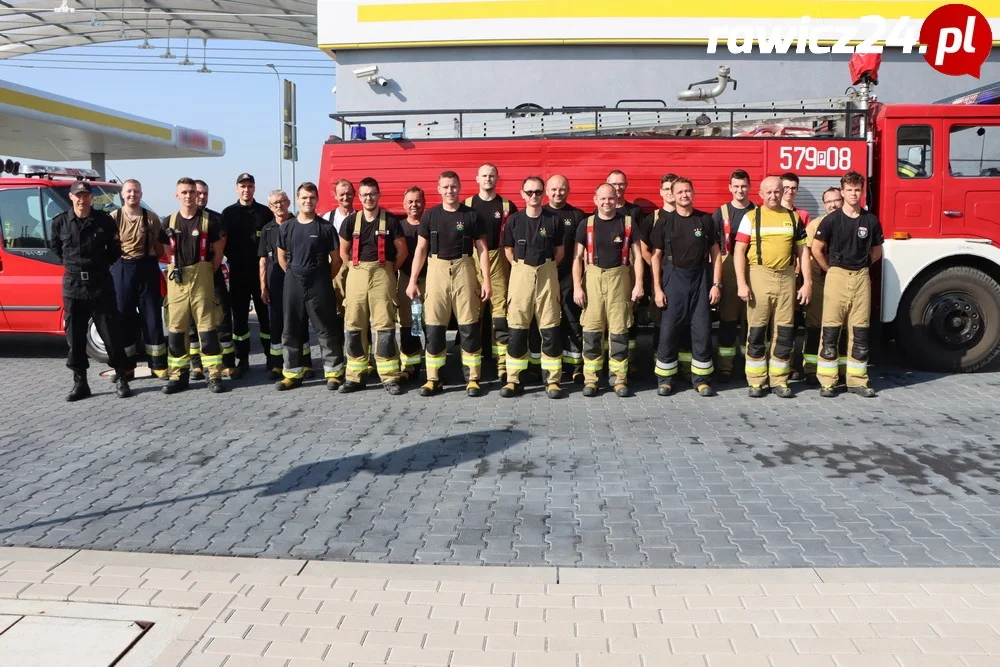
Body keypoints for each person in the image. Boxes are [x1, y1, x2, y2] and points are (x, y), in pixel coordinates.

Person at [406, 171, 492, 397]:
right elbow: (421, 250)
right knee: (434, 327)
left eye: (453, 186)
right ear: (438, 189)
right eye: (445, 187)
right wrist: (413, 280)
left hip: (464, 269)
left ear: (460, 187)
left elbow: (482, 250)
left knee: (469, 326)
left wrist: (486, 281)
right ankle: (434, 378)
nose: (450, 191)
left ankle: (472, 378)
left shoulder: (472, 216)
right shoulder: (430, 217)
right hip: (436, 271)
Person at [49, 181, 131, 401]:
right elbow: (56, 248)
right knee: (75, 336)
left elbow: (115, 250)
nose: (82, 199)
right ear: (71, 197)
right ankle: (80, 383)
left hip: (100, 285)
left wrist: (99, 267)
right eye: (78, 196)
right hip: (73, 286)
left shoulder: (104, 221)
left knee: (111, 333)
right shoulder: (60, 223)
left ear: (91, 198)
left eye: (86, 195)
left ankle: (122, 378)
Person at [734, 176, 811, 398]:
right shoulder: (751, 217)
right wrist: (742, 283)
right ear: (760, 194)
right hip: (759, 274)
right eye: (768, 192)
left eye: (778, 191)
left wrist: (806, 283)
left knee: (785, 332)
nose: (773, 196)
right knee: (757, 330)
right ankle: (756, 381)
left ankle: (779, 380)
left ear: (784, 192)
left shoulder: (793, 218)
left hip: (787, 277)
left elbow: (803, 253)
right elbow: (739, 251)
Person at [810, 171, 884, 398]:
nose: (854, 194)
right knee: (831, 330)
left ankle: (857, 381)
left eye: (857, 190)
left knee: (860, 330)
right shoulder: (831, 220)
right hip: (837, 276)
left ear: (862, 192)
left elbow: (877, 251)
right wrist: (830, 269)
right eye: (849, 190)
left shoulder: (870, 220)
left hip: (861, 277)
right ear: (842, 192)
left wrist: (861, 265)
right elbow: (816, 249)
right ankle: (828, 381)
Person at [650, 177, 722, 397]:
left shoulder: (705, 220)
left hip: (700, 279)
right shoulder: (664, 221)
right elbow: (655, 257)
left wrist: (716, 284)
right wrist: (658, 289)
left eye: (688, 191)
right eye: (679, 192)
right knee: (669, 331)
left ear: (693, 193)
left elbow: (716, 254)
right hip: (673, 279)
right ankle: (665, 380)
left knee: (701, 330)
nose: (684, 195)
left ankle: (701, 380)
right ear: (672, 195)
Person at [339, 177, 408, 394]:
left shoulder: (391, 221)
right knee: (353, 324)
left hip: (383, 273)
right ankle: (354, 376)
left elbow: (402, 251)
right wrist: (353, 267)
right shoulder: (350, 222)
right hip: (357, 273)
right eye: (364, 194)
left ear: (379, 194)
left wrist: (389, 270)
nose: (368, 198)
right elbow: (343, 251)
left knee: (384, 325)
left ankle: (389, 377)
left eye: (372, 193)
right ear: (359, 197)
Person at [574, 183, 644, 398]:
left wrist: (639, 284)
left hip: (619, 279)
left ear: (617, 198)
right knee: (592, 333)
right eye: (603, 198)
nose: (607, 202)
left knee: (619, 332)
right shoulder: (586, 224)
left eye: (611, 198)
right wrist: (577, 286)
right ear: (595, 199)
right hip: (593, 279)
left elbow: (638, 257)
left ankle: (619, 379)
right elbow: (577, 257)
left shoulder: (628, 223)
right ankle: (592, 380)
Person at [275, 182, 346, 391]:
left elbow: (337, 259)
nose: (308, 201)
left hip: (319, 283)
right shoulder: (287, 227)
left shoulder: (325, 227)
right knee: (291, 329)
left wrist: (323, 278)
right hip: (293, 282)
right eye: (304, 198)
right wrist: (294, 274)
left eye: (312, 198)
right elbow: (281, 256)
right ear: (297, 200)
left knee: (326, 328)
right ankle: (292, 374)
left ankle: (333, 373)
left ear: (317, 200)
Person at [161, 177, 227, 395]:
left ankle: (214, 375)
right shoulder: (168, 222)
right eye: (184, 192)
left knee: (207, 328)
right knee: (177, 330)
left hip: (202, 278)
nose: (189, 196)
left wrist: (206, 272)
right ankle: (178, 376)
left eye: (192, 192)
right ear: (177, 195)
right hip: (177, 280)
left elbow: (218, 254)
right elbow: (166, 252)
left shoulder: (210, 221)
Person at [501, 176, 565, 399]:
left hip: (547, 274)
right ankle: (513, 379)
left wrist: (546, 268)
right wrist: (520, 270)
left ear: (543, 194)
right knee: (517, 329)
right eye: (529, 192)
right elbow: (508, 250)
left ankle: (553, 381)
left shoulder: (553, 220)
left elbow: (560, 251)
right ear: (522, 194)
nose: (534, 196)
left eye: (538, 192)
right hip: (521, 274)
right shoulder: (514, 221)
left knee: (550, 329)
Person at [109, 178, 166, 379]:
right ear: (122, 195)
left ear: (141, 195)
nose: (133, 195)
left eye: (136, 191)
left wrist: (148, 261)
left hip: (146, 267)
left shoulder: (151, 218)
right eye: (129, 191)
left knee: (151, 316)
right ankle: (126, 366)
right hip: (122, 268)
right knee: (123, 317)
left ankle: (158, 364)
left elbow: (160, 248)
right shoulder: (113, 218)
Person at [465, 163, 517, 381]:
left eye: (492, 175)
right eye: (484, 175)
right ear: (477, 178)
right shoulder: (467, 204)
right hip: (470, 261)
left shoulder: (507, 206)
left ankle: (502, 365)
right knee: (471, 317)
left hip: (499, 261)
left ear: (497, 178)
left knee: (500, 316)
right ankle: (472, 368)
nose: (488, 179)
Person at [222, 173, 272, 377]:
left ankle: (272, 357)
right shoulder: (228, 213)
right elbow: (223, 243)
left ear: (254, 188)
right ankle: (242, 359)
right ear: (236, 188)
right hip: (238, 272)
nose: (246, 190)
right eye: (242, 186)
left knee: (265, 318)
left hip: (260, 273)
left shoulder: (264, 213)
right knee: (240, 319)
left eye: (250, 186)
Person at [258, 190, 311, 381]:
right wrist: (263, 286)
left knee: (300, 319)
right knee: (276, 322)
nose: (278, 206)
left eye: (281, 202)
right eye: (274, 203)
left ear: (289, 202)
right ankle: (276, 364)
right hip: (275, 279)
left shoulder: (298, 224)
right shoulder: (267, 229)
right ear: (270, 207)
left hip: (296, 276)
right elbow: (263, 260)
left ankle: (305, 362)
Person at [711, 169, 757, 381]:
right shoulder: (720, 213)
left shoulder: (759, 211)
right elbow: (712, 249)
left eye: (744, 186)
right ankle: (725, 366)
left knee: (755, 320)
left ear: (750, 187)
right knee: (728, 321)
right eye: (736, 186)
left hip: (755, 269)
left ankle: (753, 364)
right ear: (730, 188)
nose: (740, 190)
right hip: (728, 269)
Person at [189, 180, 235, 378]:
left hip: (212, 272)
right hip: (190, 277)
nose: (201, 197)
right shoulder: (182, 218)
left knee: (222, 316)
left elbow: (220, 249)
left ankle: (227, 362)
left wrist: (209, 271)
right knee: (192, 320)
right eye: (198, 193)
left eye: (205, 194)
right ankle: (196, 365)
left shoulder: (216, 219)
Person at [543, 174, 585, 382]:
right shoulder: (538, 215)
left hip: (569, 276)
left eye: (562, 189)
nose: (557, 193)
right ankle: (546, 365)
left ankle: (576, 365)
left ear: (568, 190)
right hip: (544, 278)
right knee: (547, 322)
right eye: (553, 189)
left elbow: (581, 253)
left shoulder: (577, 216)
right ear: (546, 191)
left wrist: (580, 283)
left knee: (572, 320)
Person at [801, 186, 845, 383]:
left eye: (836, 200)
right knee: (815, 324)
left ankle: (841, 368)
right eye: (828, 202)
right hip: (820, 279)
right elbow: (805, 253)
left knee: (842, 325)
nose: (833, 204)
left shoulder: (851, 223)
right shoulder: (815, 225)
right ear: (824, 204)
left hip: (844, 281)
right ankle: (810, 368)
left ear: (843, 199)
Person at [605, 170, 645, 373]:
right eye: (614, 184)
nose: (618, 188)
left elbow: (639, 246)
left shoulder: (635, 211)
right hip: (607, 269)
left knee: (629, 314)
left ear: (626, 185)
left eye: (621, 184)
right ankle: (607, 359)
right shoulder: (601, 210)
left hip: (628, 266)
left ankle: (629, 361)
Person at [397, 186, 427, 381]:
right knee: (408, 324)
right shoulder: (398, 227)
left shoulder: (432, 223)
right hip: (406, 279)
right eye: (410, 201)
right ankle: (410, 365)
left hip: (431, 280)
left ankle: (434, 364)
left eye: (417, 201)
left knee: (432, 324)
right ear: (404, 204)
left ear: (424, 203)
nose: (414, 205)